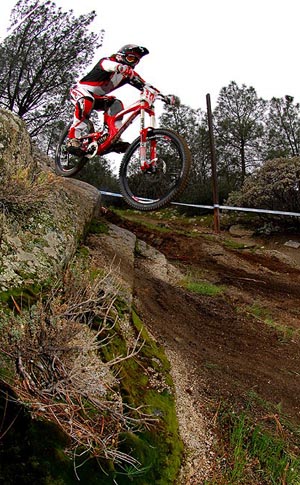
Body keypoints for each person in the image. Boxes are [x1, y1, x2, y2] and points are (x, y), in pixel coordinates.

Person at [66, 44, 152, 156]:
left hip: (97, 98)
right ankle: (73, 139)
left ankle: (112, 137)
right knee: (87, 101)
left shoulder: (127, 74)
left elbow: (145, 85)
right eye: (131, 58)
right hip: (80, 90)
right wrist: (119, 67)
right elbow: (107, 65)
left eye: (136, 60)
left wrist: (162, 95)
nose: (132, 62)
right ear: (121, 56)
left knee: (116, 104)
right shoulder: (107, 61)